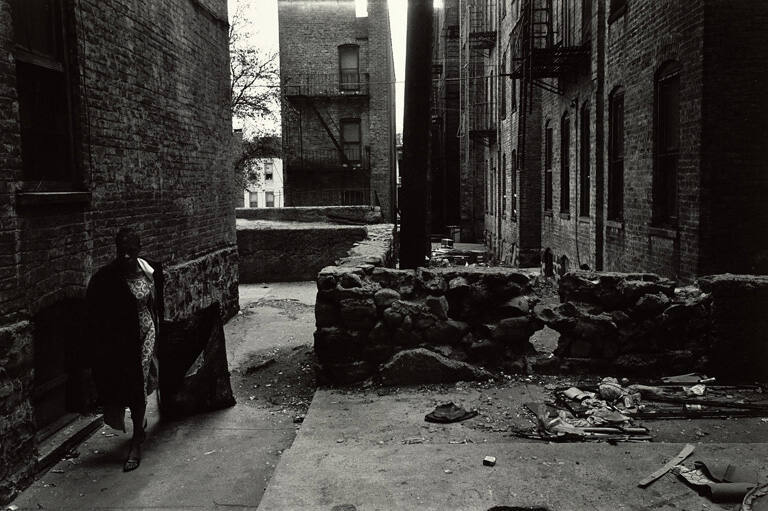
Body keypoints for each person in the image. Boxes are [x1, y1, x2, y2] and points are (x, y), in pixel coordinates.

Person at [86, 228, 164, 472]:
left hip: (147, 330)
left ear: (139, 249)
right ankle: (139, 427)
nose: (126, 256)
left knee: (139, 382)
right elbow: (97, 315)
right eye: (122, 252)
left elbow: (155, 303)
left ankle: (137, 440)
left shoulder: (150, 271)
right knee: (129, 383)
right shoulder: (107, 278)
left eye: (131, 251)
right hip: (123, 341)